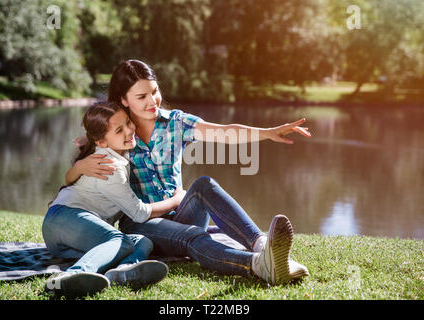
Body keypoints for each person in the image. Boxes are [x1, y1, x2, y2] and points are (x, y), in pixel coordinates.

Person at [66, 59, 311, 286]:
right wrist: (79, 167)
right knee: (193, 234)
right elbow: (73, 183)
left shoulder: (176, 123)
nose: (152, 101)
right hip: (143, 225)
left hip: (181, 213)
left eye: (154, 91)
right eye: (142, 96)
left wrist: (268, 132)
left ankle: (265, 247)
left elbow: (224, 132)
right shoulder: (114, 133)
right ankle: (258, 265)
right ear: (124, 100)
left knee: (204, 185)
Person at [42, 101, 187, 297]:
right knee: (120, 240)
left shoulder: (113, 153)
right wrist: (177, 199)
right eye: (119, 130)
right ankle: (72, 275)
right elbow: (139, 213)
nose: (129, 131)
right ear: (101, 142)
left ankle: (122, 273)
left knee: (141, 241)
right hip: (65, 219)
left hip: (67, 235)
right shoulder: (110, 167)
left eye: (128, 122)